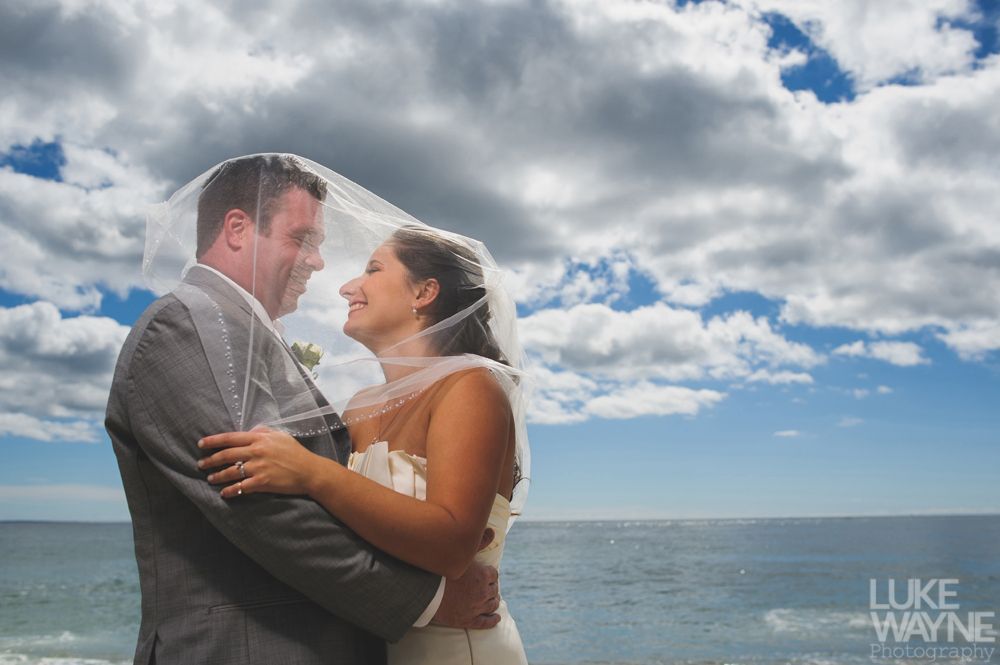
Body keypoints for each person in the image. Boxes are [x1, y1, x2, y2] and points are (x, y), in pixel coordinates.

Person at [106, 155, 500, 665]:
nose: (319, 263)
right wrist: (428, 601)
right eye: (303, 239)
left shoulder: (238, 333)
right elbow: (262, 507)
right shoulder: (188, 325)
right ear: (237, 228)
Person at [197, 225, 530, 663]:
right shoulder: (359, 408)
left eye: (372, 269)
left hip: (457, 649)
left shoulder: (468, 387)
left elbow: (451, 547)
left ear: (425, 292)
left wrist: (313, 473)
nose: (346, 287)